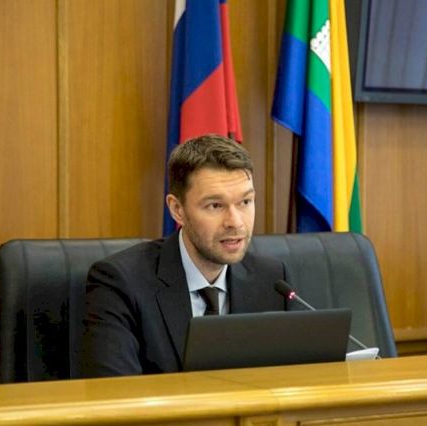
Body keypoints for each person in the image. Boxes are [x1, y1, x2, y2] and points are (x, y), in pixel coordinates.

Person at [81, 134, 288, 377]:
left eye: (245, 202)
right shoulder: (120, 282)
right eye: (215, 205)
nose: (235, 222)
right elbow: (116, 391)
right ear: (177, 209)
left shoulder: (272, 280)